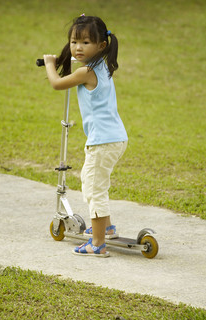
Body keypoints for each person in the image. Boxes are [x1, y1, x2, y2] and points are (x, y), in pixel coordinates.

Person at [42, 15, 128, 257]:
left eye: (86, 42)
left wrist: (50, 63)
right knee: (97, 185)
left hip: (103, 141)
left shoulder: (87, 72)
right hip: (113, 138)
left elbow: (57, 83)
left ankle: (98, 243)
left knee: (93, 188)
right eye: (74, 42)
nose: (78, 48)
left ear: (101, 45)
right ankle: (106, 228)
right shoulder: (103, 65)